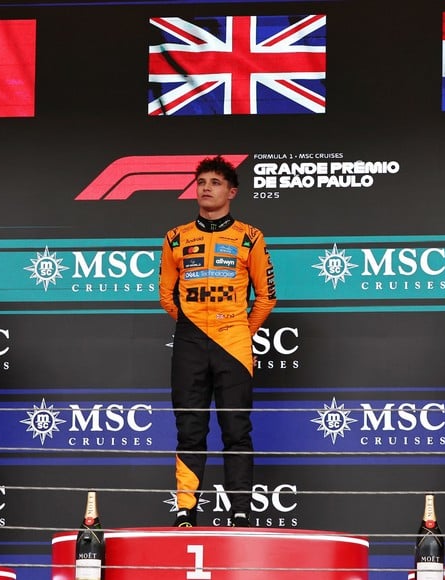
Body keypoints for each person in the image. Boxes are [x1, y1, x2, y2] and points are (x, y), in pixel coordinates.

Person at [158, 155, 277, 528]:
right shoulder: (175, 237)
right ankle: (185, 511)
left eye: (215, 182)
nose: (206, 187)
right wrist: (196, 327)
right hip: (190, 342)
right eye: (201, 182)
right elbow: (165, 295)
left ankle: (240, 510)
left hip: (235, 341)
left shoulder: (250, 236)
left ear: (232, 191)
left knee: (236, 430)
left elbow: (267, 295)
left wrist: (239, 326)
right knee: (189, 430)